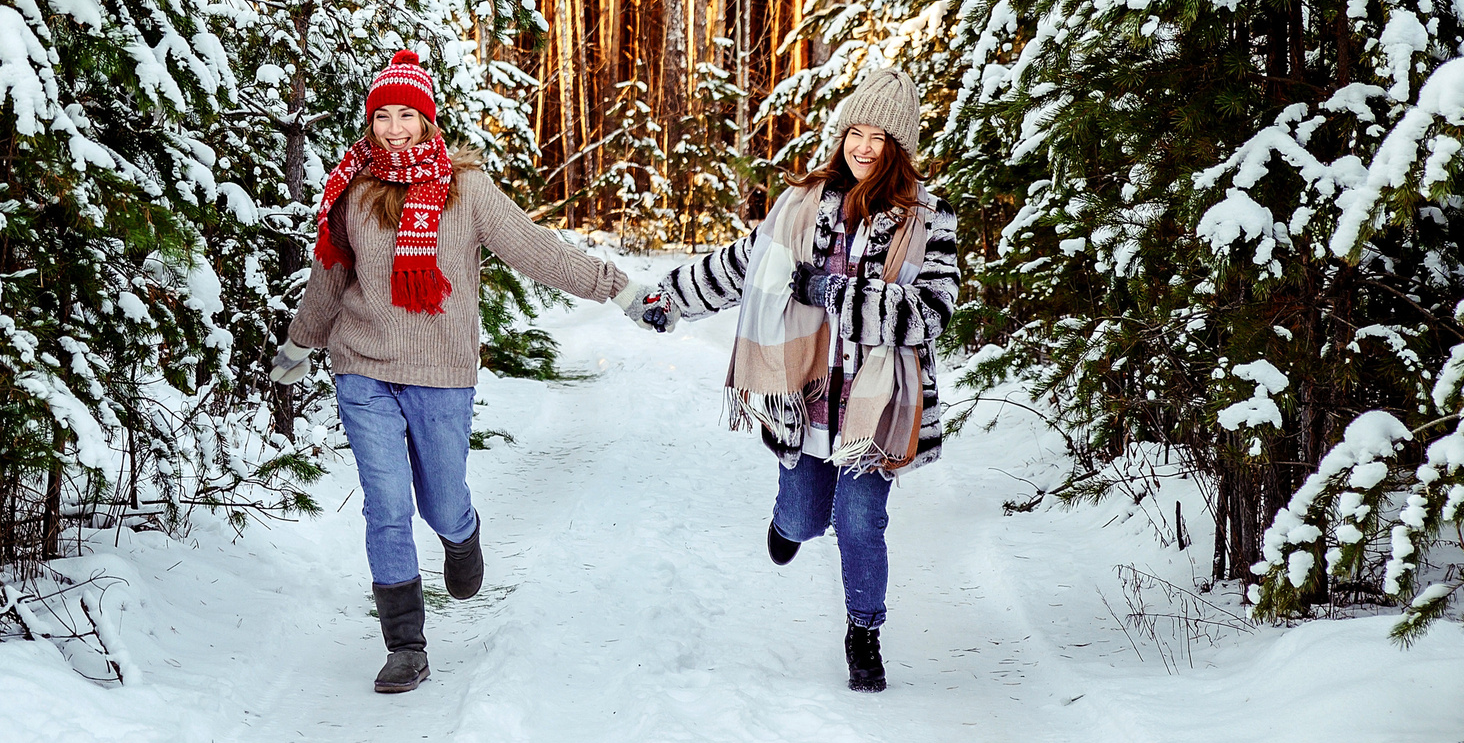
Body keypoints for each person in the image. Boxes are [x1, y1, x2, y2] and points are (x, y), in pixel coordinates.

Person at [273, 49, 649, 694]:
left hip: (441, 372)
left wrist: (616, 288)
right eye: (383, 116)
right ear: (370, 122)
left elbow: (537, 252)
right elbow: (331, 278)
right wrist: (300, 344)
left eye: (407, 115)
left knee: (440, 503)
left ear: (428, 121)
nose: (394, 128)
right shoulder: (352, 191)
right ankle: (406, 648)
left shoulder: (466, 190)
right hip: (362, 368)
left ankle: (462, 533)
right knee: (387, 509)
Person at [627, 65, 961, 692]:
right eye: (854, 132)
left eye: (878, 137)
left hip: (874, 406)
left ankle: (864, 634)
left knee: (862, 522)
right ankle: (789, 522)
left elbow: (932, 314)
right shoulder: (801, 206)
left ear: (899, 148)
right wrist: (668, 299)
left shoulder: (929, 222)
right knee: (810, 520)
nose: (862, 147)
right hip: (804, 397)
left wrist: (836, 292)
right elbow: (740, 268)